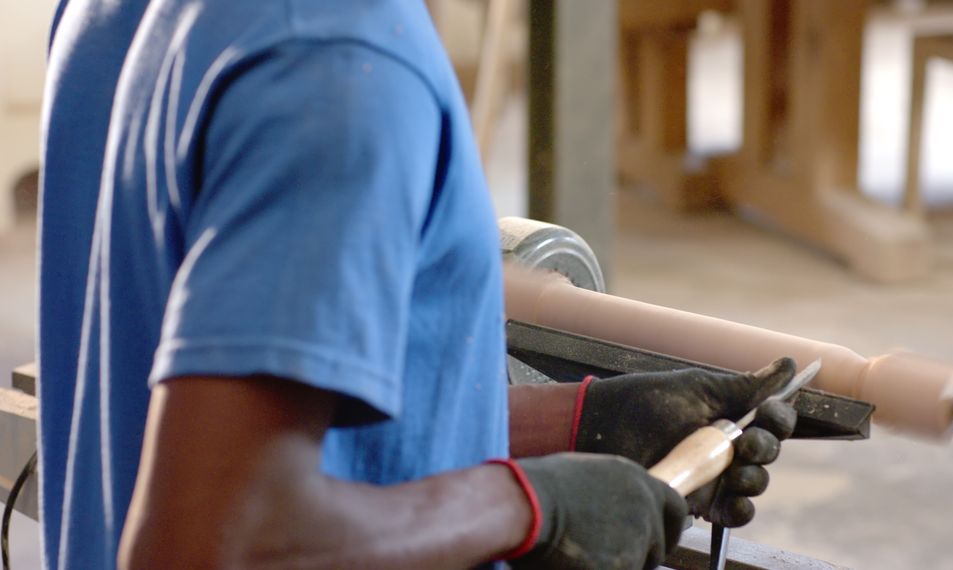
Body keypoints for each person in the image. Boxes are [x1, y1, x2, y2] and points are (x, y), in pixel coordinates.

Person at [37, 1, 797, 568]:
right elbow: (211, 542)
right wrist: (529, 507)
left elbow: (220, 410)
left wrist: (579, 423)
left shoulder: (118, 14)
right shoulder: (340, 63)